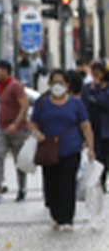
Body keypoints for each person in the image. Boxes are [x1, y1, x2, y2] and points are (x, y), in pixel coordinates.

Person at [31, 69, 95, 231]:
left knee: (67, 183)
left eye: (61, 82)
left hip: (70, 148)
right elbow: (33, 122)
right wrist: (37, 133)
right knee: (51, 184)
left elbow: (85, 126)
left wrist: (90, 148)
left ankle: (67, 219)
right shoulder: (42, 103)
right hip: (48, 149)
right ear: (49, 84)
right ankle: (55, 214)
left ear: (67, 85)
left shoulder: (76, 104)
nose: (57, 86)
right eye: (54, 82)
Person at [0, 60, 31, 203]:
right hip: (1, 127)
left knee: (19, 160)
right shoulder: (0, 86)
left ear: (5, 71)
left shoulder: (15, 86)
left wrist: (16, 124)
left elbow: (25, 105)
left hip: (18, 129)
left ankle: (22, 189)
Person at [82, 61, 109, 190]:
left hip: (106, 128)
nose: (96, 77)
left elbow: (105, 103)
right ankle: (98, 180)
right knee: (98, 156)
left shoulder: (106, 88)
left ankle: (104, 177)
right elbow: (84, 104)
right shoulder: (87, 88)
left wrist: (97, 91)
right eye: (94, 74)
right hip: (94, 128)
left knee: (106, 156)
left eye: (98, 74)